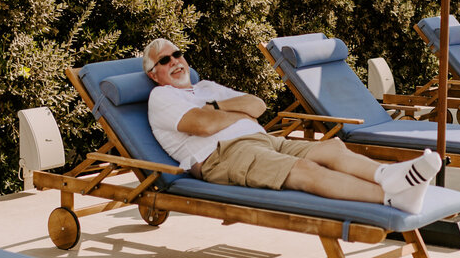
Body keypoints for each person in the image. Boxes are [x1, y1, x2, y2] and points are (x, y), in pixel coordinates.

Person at [142, 38, 441, 213]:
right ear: (155, 74)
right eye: (165, 60)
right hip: (223, 154)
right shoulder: (161, 96)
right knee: (305, 172)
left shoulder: (206, 87)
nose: (175, 62)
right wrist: (236, 114)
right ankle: (392, 197)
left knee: (333, 149)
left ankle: (387, 175)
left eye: (177, 54)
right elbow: (204, 126)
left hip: (263, 140)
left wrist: (219, 107)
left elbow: (257, 106)